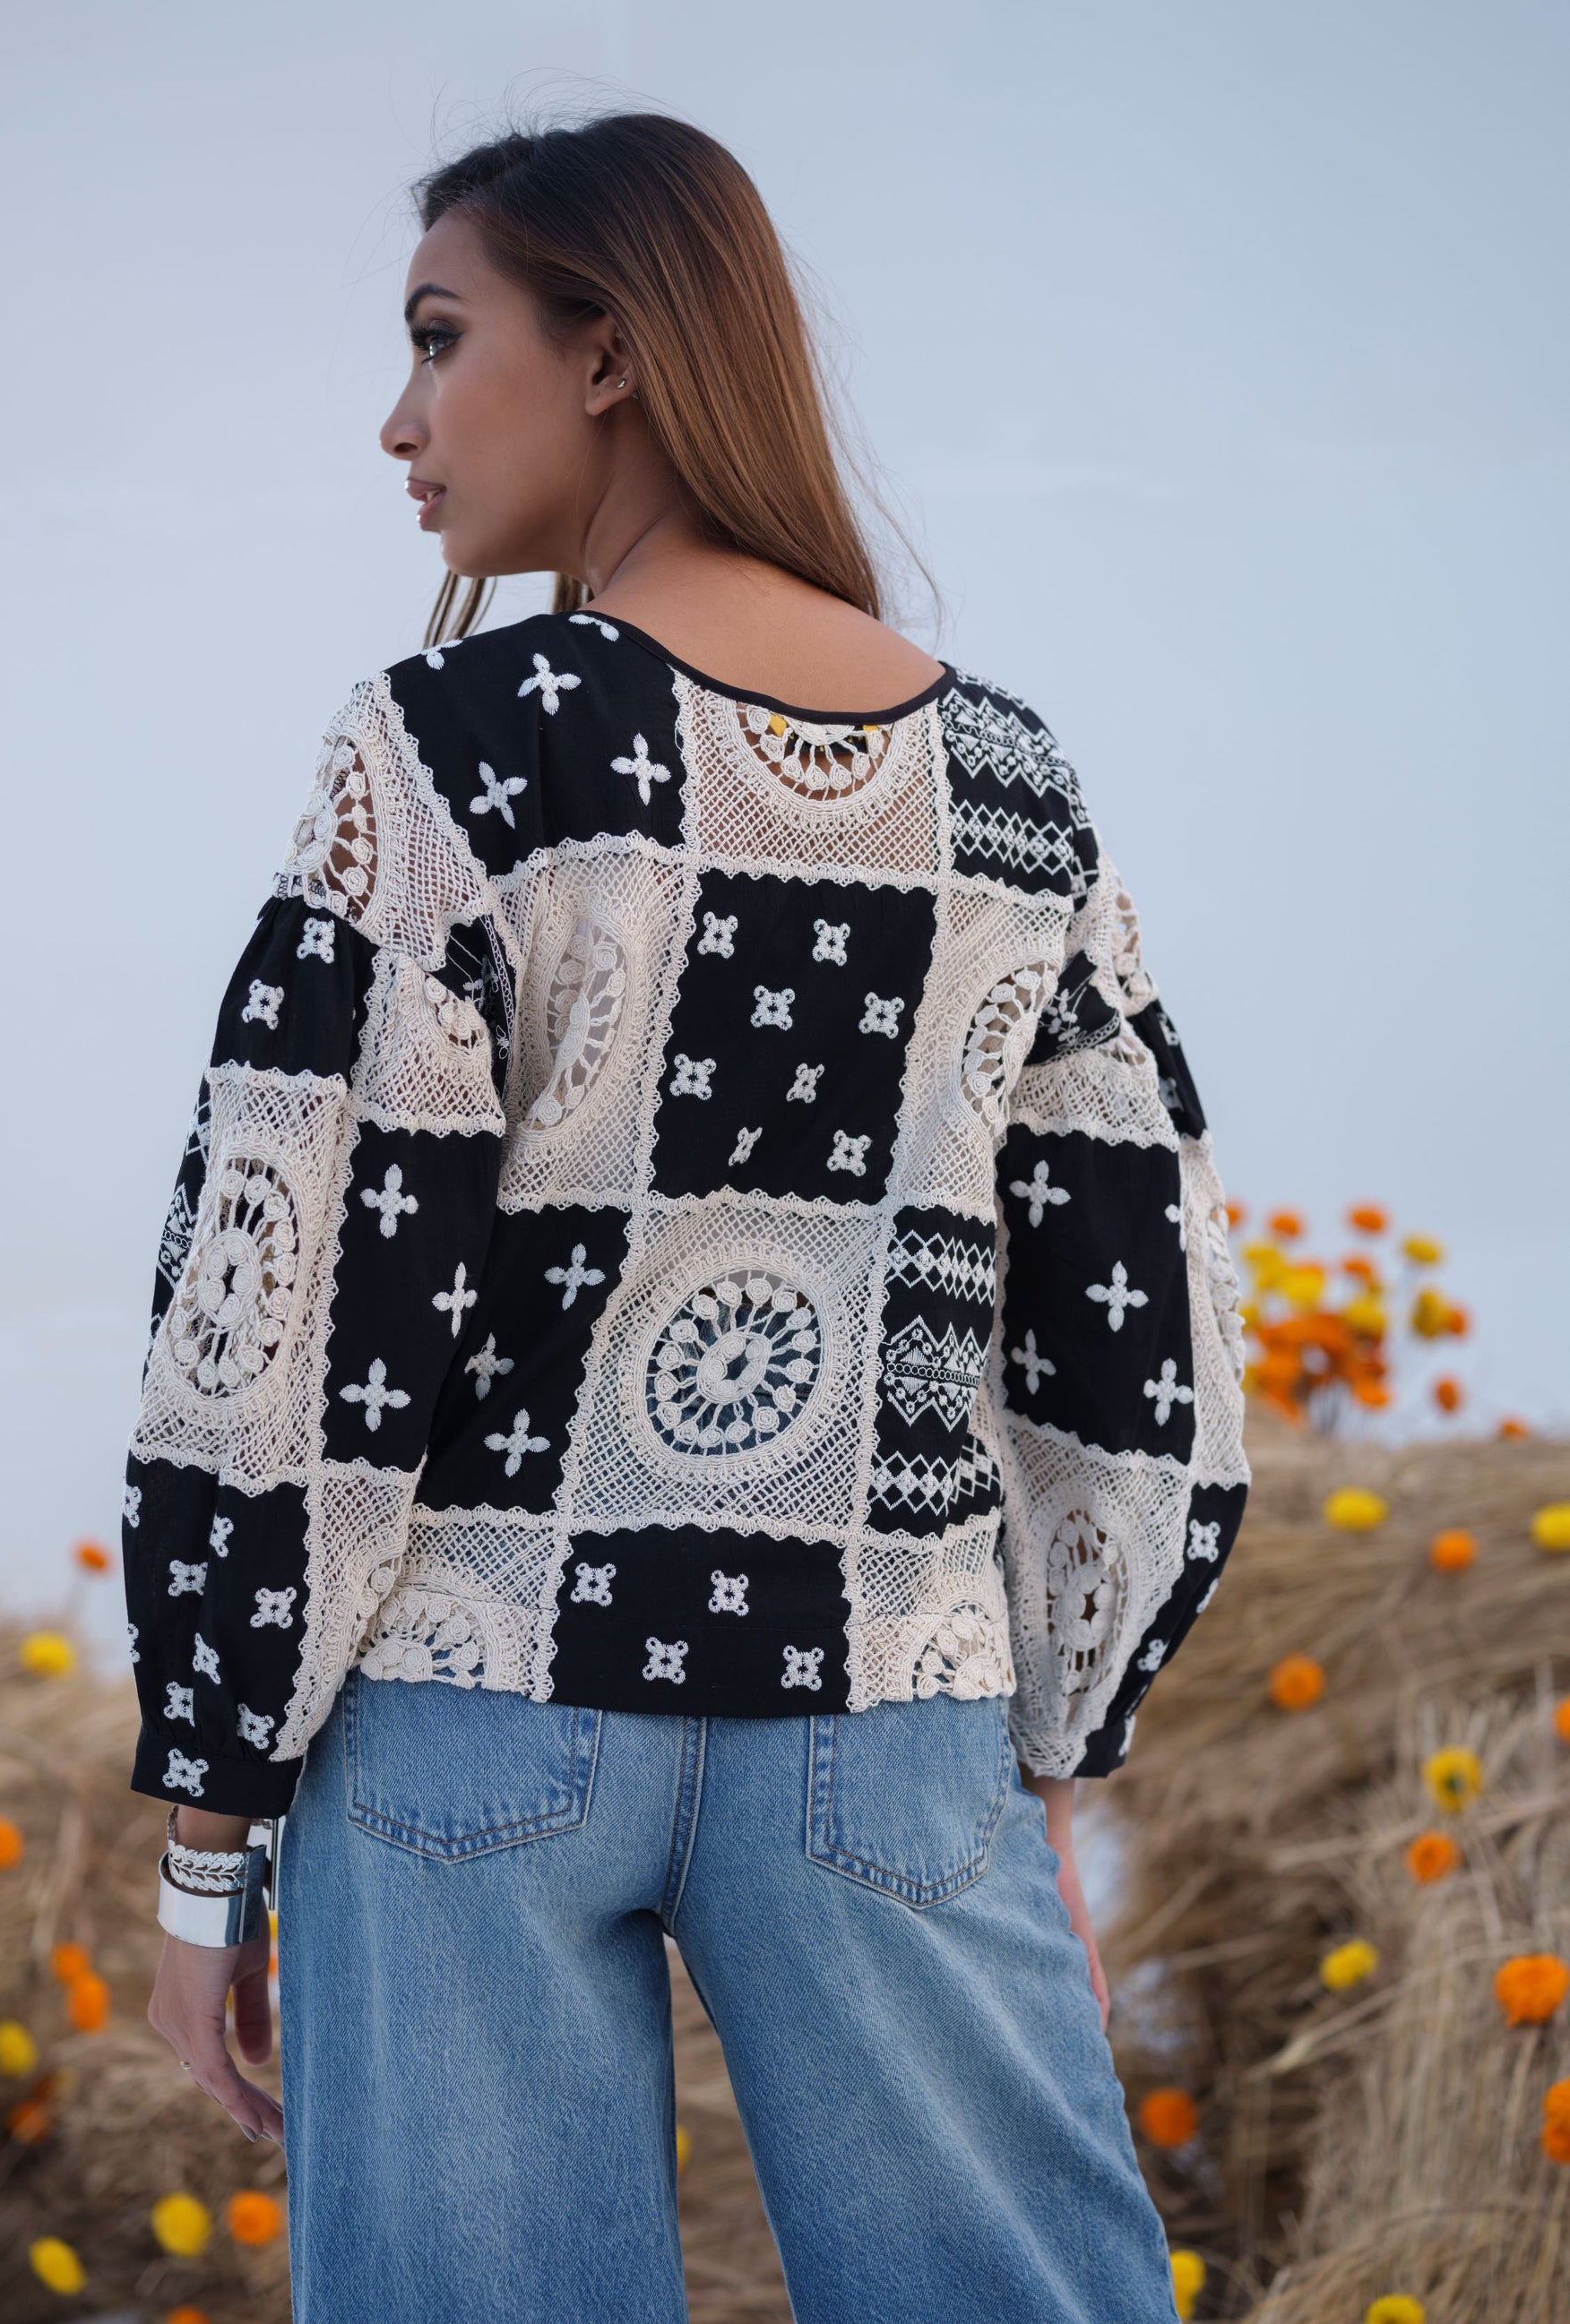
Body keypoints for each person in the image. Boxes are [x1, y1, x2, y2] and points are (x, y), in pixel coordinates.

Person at [125, 110, 1249, 2324]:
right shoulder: (1011, 788)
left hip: (465, 1704)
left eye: (438, 339)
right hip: (885, 1703)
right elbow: (1140, 1329)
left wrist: (205, 1831)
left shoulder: (455, 750)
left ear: (610, 350)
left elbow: (287, 1310)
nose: (398, 421)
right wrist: (1053, 1751)